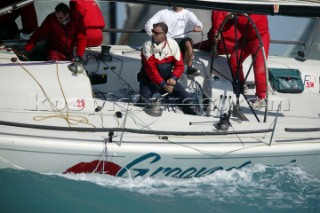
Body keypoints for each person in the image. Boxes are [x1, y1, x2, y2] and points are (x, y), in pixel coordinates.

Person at [139, 22, 198, 115]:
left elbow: (179, 65)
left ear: (164, 35)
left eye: (156, 33)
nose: (153, 34)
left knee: (187, 99)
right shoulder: (147, 45)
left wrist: (174, 78)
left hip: (167, 79)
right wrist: (163, 85)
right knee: (144, 105)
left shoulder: (173, 44)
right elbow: (151, 70)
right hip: (149, 80)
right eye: (152, 31)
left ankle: (191, 116)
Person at [144, 7, 203, 76]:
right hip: (166, 40)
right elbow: (148, 24)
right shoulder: (163, 12)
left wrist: (198, 26)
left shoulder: (188, 14)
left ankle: (189, 68)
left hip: (181, 41)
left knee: (188, 43)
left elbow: (197, 23)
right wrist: (154, 35)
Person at [229, 14, 270, 109]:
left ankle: (262, 97)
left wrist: (235, 17)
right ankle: (241, 84)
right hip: (246, 37)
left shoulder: (258, 6)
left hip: (260, 36)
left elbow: (251, 21)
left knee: (259, 66)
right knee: (234, 59)